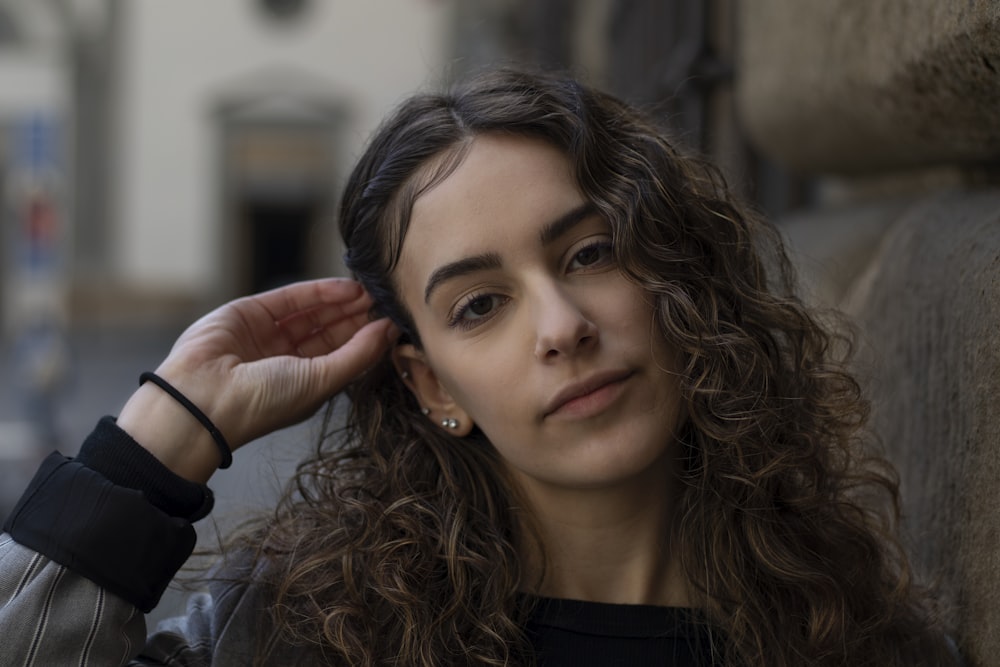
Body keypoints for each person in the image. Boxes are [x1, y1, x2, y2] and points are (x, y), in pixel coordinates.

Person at [0, 68, 961, 666]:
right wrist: (160, 440)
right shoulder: (296, 634)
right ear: (432, 385)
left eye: (589, 253)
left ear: (675, 274)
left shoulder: (859, 639)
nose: (562, 325)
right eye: (479, 305)